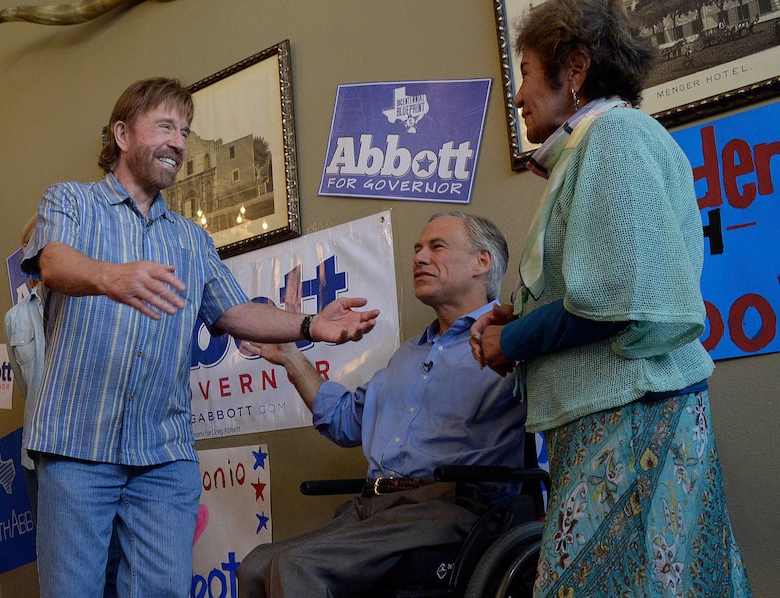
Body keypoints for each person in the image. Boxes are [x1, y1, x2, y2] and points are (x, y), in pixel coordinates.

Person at [20, 77, 380, 598]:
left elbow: (234, 312)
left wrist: (309, 326)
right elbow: (52, 263)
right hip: (78, 448)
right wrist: (112, 276)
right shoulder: (70, 202)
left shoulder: (190, 238)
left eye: (185, 132)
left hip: (163, 459)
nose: (179, 142)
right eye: (165, 126)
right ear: (122, 134)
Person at [469, 1, 751, 596]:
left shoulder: (615, 136)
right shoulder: (595, 144)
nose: (517, 96)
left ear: (573, 70)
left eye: (524, 72)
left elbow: (615, 299)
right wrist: (514, 313)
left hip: (635, 419)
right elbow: (590, 282)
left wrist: (511, 339)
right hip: (618, 416)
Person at [237, 211, 527, 597]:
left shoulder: (510, 342)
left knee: (296, 569)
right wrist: (291, 356)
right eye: (417, 249)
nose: (420, 257)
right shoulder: (407, 356)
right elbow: (344, 420)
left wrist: (519, 331)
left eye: (436, 247)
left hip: (451, 509)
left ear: (482, 261)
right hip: (374, 507)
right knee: (255, 564)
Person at [4, 215, 45, 522]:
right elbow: (25, 386)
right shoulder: (14, 320)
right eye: (25, 246)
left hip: (85, 462)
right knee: (49, 559)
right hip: (35, 460)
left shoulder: (83, 305)